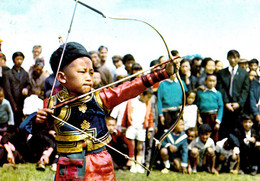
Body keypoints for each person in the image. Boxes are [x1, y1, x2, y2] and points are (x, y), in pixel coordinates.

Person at [35, 42, 177, 180]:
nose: (88, 78)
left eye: (91, 73)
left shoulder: (100, 97)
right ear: (61, 77)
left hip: (100, 163)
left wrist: (164, 72)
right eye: (82, 72)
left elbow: (130, 89)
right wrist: (39, 120)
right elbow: (33, 128)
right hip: (70, 164)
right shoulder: (52, 104)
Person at [216, 50, 250, 139]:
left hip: (238, 108)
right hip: (226, 107)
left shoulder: (244, 73)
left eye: (235, 58)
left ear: (238, 59)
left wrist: (239, 103)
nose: (232, 60)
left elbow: (245, 90)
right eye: (230, 57)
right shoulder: (221, 73)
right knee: (225, 132)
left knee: (238, 131)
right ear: (227, 58)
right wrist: (226, 102)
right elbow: (221, 88)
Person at [121, 88, 154, 173]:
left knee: (140, 147)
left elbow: (150, 117)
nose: (149, 99)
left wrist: (150, 128)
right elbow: (126, 114)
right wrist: (124, 126)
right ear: (142, 95)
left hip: (141, 127)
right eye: (148, 97)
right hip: (132, 126)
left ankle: (138, 164)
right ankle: (132, 164)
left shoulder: (147, 104)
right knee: (132, 146)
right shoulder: (132, 102)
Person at [3, 51, 31, 126]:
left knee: (22, 123)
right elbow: (7, 90)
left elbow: (28, 84)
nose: (19, 61)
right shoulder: (8, 74)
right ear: (13, 60)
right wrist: (13, 104)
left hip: (22, 101)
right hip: (12, 102)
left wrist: (26, 89)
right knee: (13, 123)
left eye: (21, 59)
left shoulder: (25, 73)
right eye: (17, 59)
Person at [157, 73, 187, 137]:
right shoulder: (162, 84)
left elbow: (186, 96)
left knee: (178, 131)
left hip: (178, 111)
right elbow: (159, 100)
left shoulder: (181, 83)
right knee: (166, 132)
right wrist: (161, 115)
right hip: (166, 112)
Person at [196, 74, 224, 142]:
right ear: (205, 81)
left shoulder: (218, 93)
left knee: (214, 136)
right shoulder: (200, 92)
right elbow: (197, 105)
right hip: (203, 117)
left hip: (213, 117)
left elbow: (221, 107)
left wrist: (218, 121)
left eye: (214, 81)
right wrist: (198, 115)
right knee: (203, 135)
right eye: (210, 81)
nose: (212, 83)